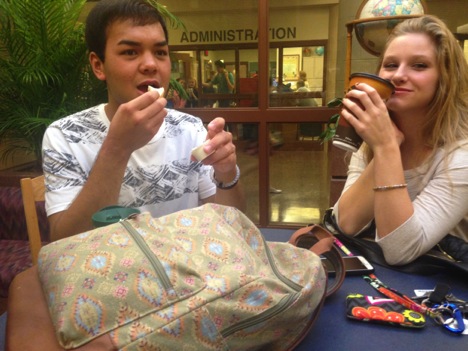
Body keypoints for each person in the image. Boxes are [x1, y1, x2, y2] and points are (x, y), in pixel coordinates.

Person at [42, 0, 245, 241]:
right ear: (98, 66)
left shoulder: (189, 129)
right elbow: (65, 243)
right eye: (130, 52)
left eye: (160, 52)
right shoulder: (65, 136)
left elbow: (233, 228)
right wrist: (118, 147)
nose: (151, 65)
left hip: (187, 270)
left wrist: (226, 173)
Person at [332, 15, 468, 265]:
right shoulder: (376, 138)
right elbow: (346, 223)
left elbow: (400, 250)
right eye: (391, 65)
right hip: (385, 287)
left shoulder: (460, 156)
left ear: (445, 78)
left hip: (443, 290)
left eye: (419, 65)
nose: (398, 75)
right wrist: (385, 144)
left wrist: (386, 148)